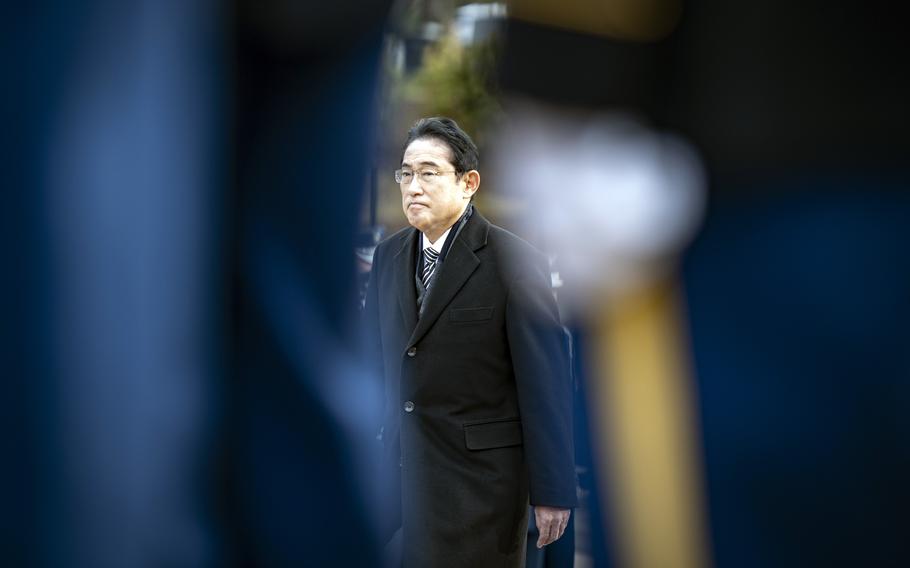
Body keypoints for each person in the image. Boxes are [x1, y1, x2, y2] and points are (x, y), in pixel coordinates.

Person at [363, 117, 576, 567]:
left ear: (468, 183)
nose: (412, 186)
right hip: (396, 481)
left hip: (479, 487)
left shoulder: (514, 261)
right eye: (406, 173)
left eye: (429, 172)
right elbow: (373, 364)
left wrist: (553, 492)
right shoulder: (389, 255)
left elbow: (546, 384)